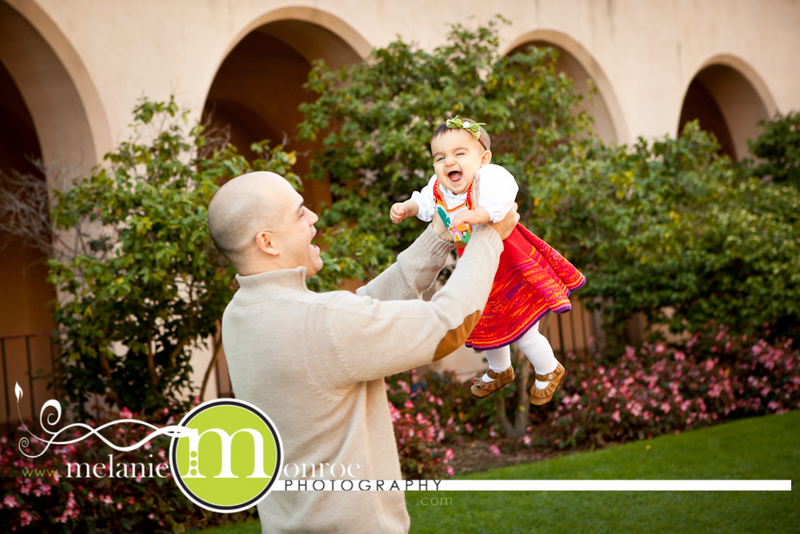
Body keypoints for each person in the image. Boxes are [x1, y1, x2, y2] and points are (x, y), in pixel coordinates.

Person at [207, 171, 518, 534]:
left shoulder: (241, 314)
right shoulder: (320, 323)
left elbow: (358, 316)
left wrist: (437, 238)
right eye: (299, 212)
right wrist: (489, 237)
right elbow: (447, 325)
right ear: (267, 242)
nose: (314, 218)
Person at [390, 117, 585, 405]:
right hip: (479, 263)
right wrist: (407, 207)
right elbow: (425, 202)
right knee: (485, 317)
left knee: (523, 325)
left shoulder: (488, 177)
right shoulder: (439, 189)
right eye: (440, 157)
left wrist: (478, 214)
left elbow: (505, 195)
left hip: (509, 259)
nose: (448, 162)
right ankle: (499, 369)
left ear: (483, 159)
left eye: (459, 154)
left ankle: (548, 368)